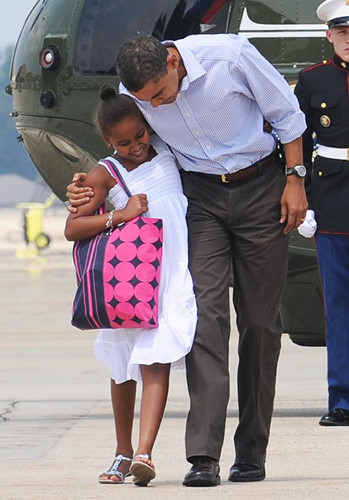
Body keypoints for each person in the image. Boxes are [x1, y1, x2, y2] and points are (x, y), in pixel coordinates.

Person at [67, 33, 308, 485]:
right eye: (146, 101)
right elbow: (127, 145)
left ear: (174, 60)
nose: (155, 107)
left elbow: (288, 118)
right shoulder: (134, 94)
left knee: (259, 322)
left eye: (159, 94)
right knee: (205, 318)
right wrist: (87, 185)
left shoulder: (230, 58)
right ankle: (203, 456)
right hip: (201, 197)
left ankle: (251, 451)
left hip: (261, 189)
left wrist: (295, 180)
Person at [65, 85, 197, 486]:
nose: (137, 146)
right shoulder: (106, 171)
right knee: (123, 366)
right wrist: (120, 215)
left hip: (170, 271)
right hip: (130, 277)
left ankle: (145, 454)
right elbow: (73, 227)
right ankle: (122, 453)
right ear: (108, 142)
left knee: (156, 358)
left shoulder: (169, 148)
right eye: (125, 142)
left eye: (140, 135)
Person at [294, 0, 349, 427]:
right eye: (342, 32)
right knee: (338, 306)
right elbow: (297, 144)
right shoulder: (312, 81)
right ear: (329, 35)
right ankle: (342, 399)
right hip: (332, 204)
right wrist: (305, 199)